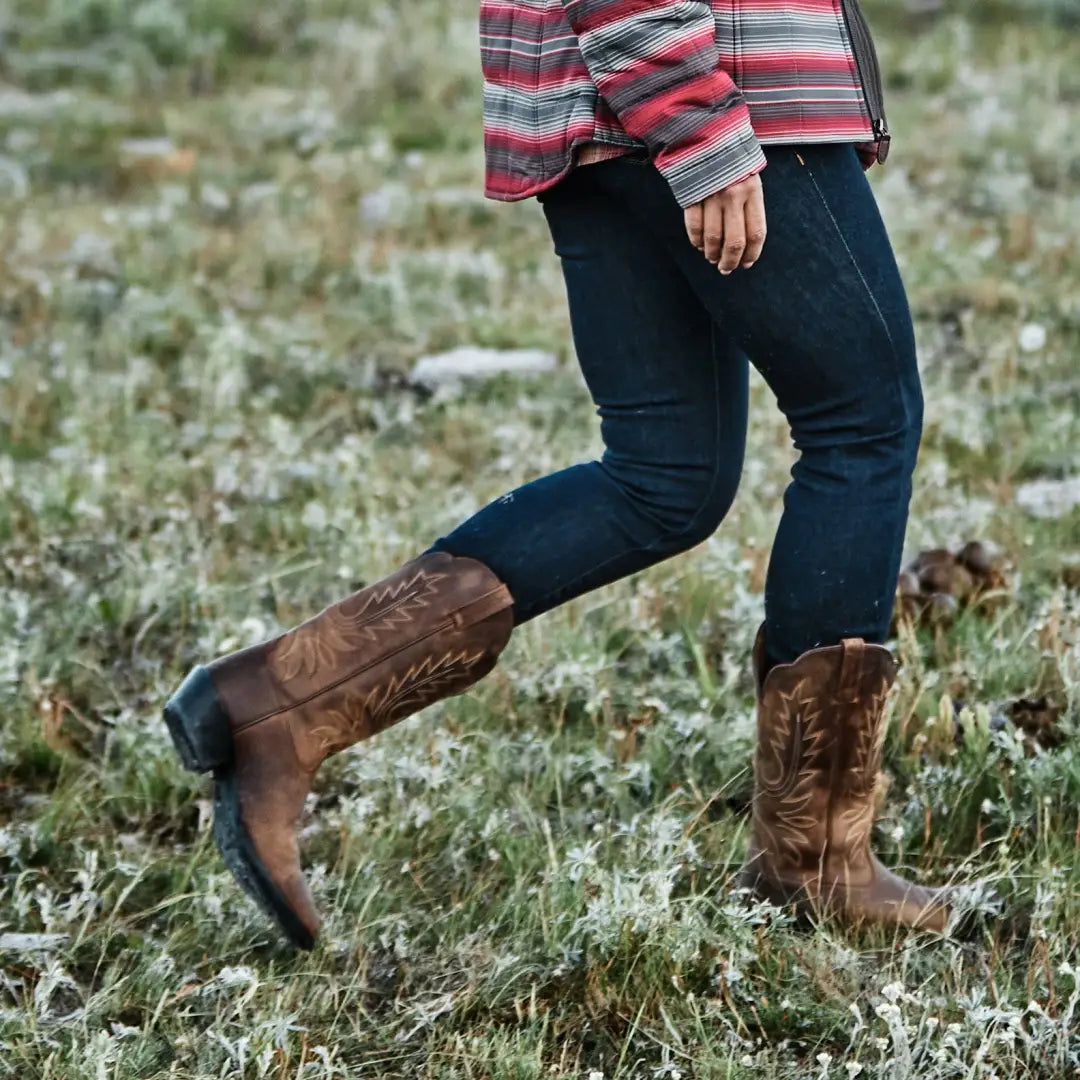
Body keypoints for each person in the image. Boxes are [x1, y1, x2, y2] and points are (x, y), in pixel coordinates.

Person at [163, 0, 950, 949]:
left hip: (605, 102)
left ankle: (275, 704)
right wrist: (696, 121)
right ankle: (818, 861)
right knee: (862, 424)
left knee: (667, 477)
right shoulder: (697, 102)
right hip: (712, 88)